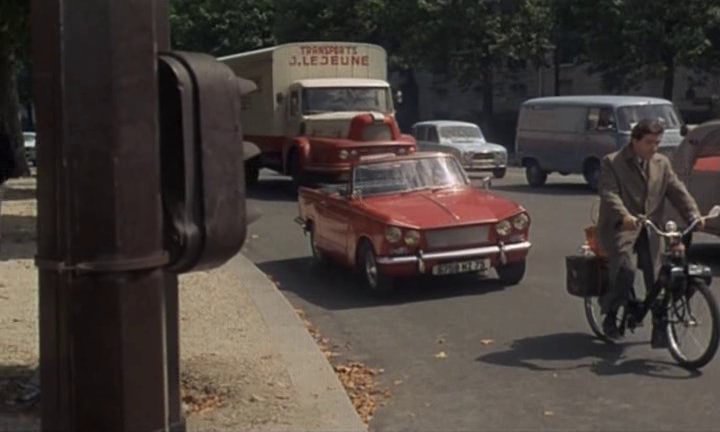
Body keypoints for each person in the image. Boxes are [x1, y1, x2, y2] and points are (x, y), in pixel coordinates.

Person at [597, 119, 702, 346]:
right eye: (648, 142)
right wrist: (624, 216)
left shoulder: (661, 163)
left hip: (651, 228)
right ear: (634, 140)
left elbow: (678, 191)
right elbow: (609, 193)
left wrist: (693, 215)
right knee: (625, 270)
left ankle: (659, 325)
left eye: (657, 142)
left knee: (659, 276)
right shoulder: (613, 162)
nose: (654, 147)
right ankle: (611, 314)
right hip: (622, 226)